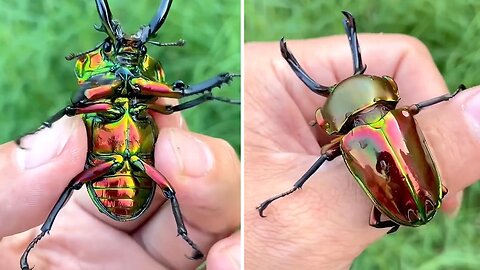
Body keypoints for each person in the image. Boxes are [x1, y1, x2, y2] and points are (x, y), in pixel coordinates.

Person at [245, 34, 480, 269]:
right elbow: (419, 107)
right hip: (429, 194)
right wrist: (450, 98)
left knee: (361, 202)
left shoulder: (347, 143)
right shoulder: (403, 116)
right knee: (412, 112)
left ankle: (295, 188)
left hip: (406, 205)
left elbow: (326, 154)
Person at [0, 110, 240, 269]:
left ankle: (183, 233)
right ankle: (43, 233)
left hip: (133, 174)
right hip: (112, 176)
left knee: (172, 188)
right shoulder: (97, 99)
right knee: (76, 183)